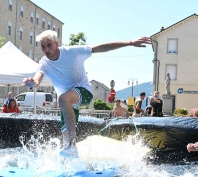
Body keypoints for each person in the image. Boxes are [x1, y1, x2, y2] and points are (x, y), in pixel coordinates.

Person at [22, 30, 151, 158]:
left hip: (84, 93)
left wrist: (130, 43)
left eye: (49, 45)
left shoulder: (72, 51)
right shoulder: (44, 63)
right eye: (43, 47)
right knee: (65, 140)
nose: (46, 50)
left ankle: (72, 145)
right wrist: (32, 82)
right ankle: (72, 157)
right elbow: (38, 79)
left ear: (56, 44)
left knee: (63, 100)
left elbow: (101, 47)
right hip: (67, 104)